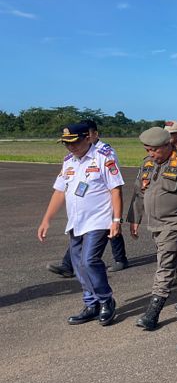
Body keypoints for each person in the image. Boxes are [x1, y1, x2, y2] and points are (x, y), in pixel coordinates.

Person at [37, 123, 124, 326]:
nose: (71, 147)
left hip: (98, 220)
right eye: (67, 144)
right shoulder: (69, 162)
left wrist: (116, 220)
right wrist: (46, 220)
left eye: (75, 142)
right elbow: (60, 192)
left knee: (89, 261)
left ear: (87, 138)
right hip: (76, 221)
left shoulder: (103, 157)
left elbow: (115, 190)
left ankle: (106, 300)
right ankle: (91, 303)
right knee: (77, 266)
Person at [127, 127, 177, 330]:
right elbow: (139, 191)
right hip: (155, 222)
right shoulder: (148, 163)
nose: (151, 154)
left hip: (176, 221)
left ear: (168, 145)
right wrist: (134, 218)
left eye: (154, 150)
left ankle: (153, 312)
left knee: (165, 264)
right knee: (176, 258)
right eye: (148, 150)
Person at [46, 119, 128, 277]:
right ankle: (68, 264)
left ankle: (120, 259)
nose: (72, 145)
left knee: (111, 232)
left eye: (88, 134)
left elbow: (114, 183)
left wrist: (116, 218)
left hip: (103, 202)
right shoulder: (72, 158)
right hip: (86, 208)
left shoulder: (105, 152)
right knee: (82, 234)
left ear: (93, 135)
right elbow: (62, 187)